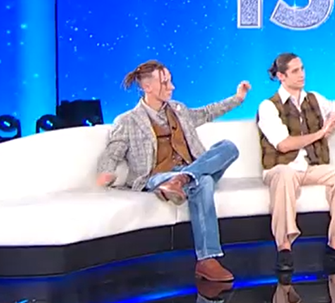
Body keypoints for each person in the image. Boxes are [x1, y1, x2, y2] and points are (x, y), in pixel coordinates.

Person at [95, 60, 250, 283]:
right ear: (147, 87)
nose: (172, 87)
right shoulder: (127, 121)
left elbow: (208, 112)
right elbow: (113, 151)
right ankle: (207, 260)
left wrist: (238, 98)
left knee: (228, 147)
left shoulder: (179, 110)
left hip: (187, 168)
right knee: (204, 181)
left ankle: (183, 179)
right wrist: (105, 173)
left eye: (170, 81)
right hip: (157, 177)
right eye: (165, 82)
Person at [257, 53, 335, 273]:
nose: (302, 74)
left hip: (311, 167)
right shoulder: (268, 106)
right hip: (281, 167)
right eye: (295, 71)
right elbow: (284, 145)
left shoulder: (314, 98)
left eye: (302, 68)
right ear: (281, 76)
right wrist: (320, 134)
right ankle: (284, 248)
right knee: (285, 175)